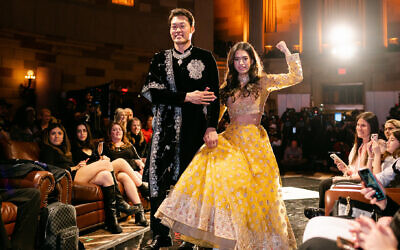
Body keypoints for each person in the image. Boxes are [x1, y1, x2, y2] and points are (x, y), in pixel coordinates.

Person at [155, 41, 303, 249]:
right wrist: (207, 123)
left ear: (252, 61)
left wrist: (287, 52)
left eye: (245, 59)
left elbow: (296, 77)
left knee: (258, 195)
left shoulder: (263, 82)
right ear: (232, 62)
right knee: (219, 177)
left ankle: (252, 241)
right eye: (237, 59)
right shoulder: (226, 89)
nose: (241, 63)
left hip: (255, 144)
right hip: (231, 140)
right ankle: (206, 234)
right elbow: (215, 115)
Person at [141, 8, 220, 249]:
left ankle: (190, 237)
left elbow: (214, 98)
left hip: (194, 130)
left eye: (182, 25)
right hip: (164, 130)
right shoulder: (159, 59)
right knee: (158, 181)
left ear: (192, 29)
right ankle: (159, 234)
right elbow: (153, 92)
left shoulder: (205, 58)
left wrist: (211, 128)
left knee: (192, 184)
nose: (177, 30)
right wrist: (187, 97)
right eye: (174, 26)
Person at [40, 122, 123, 233]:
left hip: (77, 174)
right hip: (69, 178)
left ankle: (111, 221)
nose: (57, 136)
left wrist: (80, 165)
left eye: (59, 133)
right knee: (106, 164)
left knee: (106, 176)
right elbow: (51, 170)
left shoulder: (65, 150)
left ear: (64, 136)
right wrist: (74, 168)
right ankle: (120, 202)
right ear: (48, 136)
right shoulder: (48, 150)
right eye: (53, 133)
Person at [71, 122, 148, 226]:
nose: (82, 133)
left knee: (120, 176)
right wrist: (75, 167)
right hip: (82, 173)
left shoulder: (92, 147)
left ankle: (135, 214)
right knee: (118, 162)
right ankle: (139, 190)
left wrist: (100, 159)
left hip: (105, 173)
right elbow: (74, 165)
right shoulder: (77, 148)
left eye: (84, 131)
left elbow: (93, 161)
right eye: (79, 131)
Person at [304, 112, 379, 219]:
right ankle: (324, 212)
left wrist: (345, 178)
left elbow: (366, 176)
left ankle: (324, 214)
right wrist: (345, 170)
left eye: (363, 125)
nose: (359, 128)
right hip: (355, 178)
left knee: (325, 184)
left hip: (362, 182)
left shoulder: (374, 147)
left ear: (372, 128)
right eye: (358, 125)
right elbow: (354, 170)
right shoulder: (357, 146)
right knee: (325, 184)